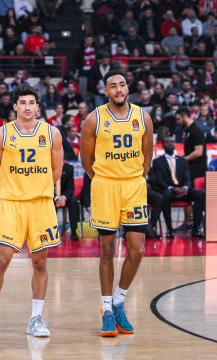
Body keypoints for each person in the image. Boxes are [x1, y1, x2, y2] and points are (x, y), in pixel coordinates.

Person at [0, 84, 63, 339]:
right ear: (15, 106)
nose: (27, 107)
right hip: (12, 204)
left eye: (32, 103)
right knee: (2, 260)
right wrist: (12, 189)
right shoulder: (1, 134)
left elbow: (56, 171)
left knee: (40, 262)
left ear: (38, 107)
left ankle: (36, 318)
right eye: (22, 102)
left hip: (40, 205)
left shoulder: (52, 133)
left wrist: (37, 188)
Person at [80, 70, 154, 337]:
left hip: (134, 186)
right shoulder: (94, 119)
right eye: (113, 86)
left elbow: (148, 156)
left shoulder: (142, 117)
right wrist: (101, 179)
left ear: (127, 88)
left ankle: (120, 299)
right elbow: (85, 159)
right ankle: (107, 309)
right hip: (105, 187)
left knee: (137, 250)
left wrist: (135, 177)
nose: (119, 89)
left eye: (122, 84)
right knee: (107, 250)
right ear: (106, 91)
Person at [148, 136, 205, 238]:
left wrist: (186, 188)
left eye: (172, 141)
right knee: (165, 196)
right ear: (163, 145)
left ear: (175, 144)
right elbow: (159, 181)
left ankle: (196, 229)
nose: (170, 143)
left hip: (183, 191)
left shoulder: (182, 160)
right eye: (167, 142)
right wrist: (171, 188)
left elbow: (188, 178)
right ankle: (170, 230)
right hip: (168, 190)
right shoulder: (157, 161)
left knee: (200, 194)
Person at [56, 161, 80, 240]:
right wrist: (56, 198)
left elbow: (70, 188)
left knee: (74, 202)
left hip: (65, 196)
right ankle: (50, 232)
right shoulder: (47, 167)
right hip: (51, 195)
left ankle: (73, 231)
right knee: (46, 203)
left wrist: (63, 198)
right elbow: (46, 187)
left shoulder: (69, 168)